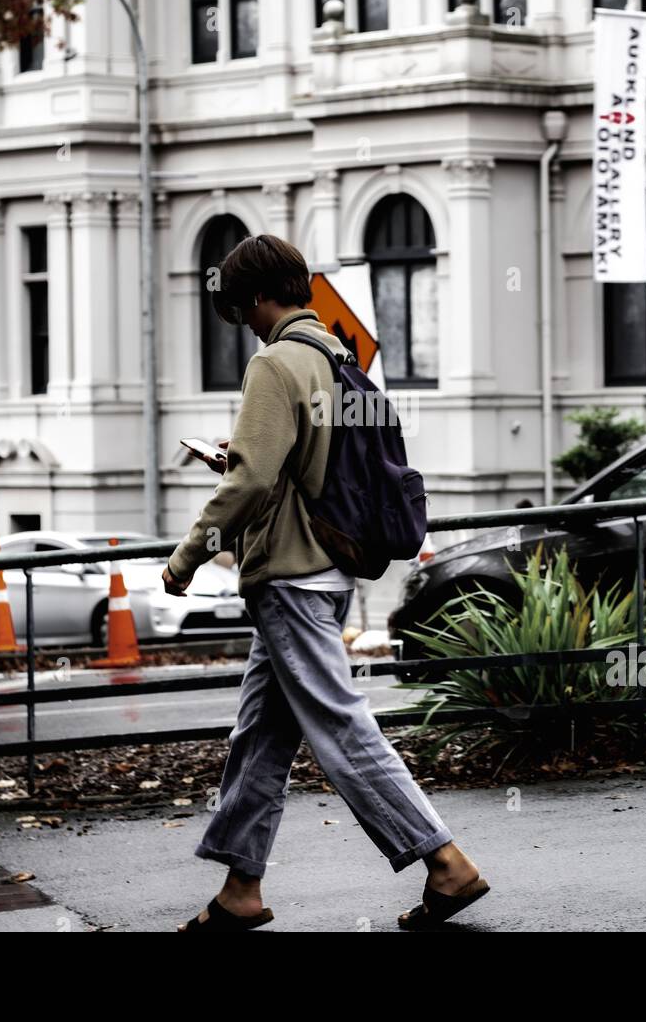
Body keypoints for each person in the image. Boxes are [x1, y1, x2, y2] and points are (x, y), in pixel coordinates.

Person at [164, 233, 489, 932]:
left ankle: (446, 864)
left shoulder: (275, 364)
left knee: (341, 726)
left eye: (239, 308)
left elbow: (252, 480)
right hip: (331, 564)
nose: (243, 322)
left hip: (290, 575)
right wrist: (246, 460)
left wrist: (187, 558)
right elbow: (302, 465)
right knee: (260, 733)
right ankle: (240, 889)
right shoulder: (336, 358)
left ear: (256, 297)